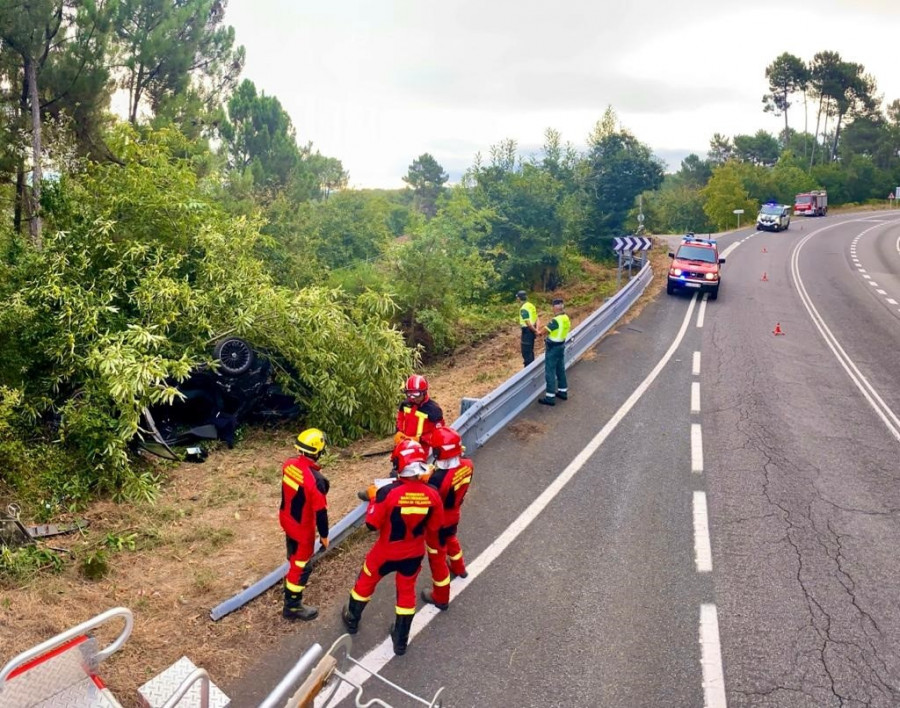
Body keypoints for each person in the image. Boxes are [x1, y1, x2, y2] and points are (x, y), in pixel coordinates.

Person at [342, 440, 444, 656]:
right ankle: (400, 640)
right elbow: (435, 526)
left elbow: (371, 524)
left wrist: (373, 497)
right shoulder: (433, 494)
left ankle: (352, 619)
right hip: (414, 553)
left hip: (385, 552)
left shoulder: (387, 492)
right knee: (407, 592)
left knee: (365, 582)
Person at [420, 426, 474, 611]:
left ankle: (440, 597)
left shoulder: (437, 479)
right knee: (451, 539)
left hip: (438, 523)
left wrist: (425, 479)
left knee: (437, 557)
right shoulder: (468, 464)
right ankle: (459, 568)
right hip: (455, 514)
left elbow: (429, 500)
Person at [279, 428, 330, 621]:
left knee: (293, 555)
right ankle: (292, 606)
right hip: (303, 530)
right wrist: (324, 536)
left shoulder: (288, 464)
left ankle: (291, 564)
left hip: (287, 519)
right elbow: (321, 513)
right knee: (302, 567)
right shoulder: (316, 480)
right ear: (318, 451)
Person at [395, 374, 445, 457]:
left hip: (424, 451)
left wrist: (420, 439)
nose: (413, 398)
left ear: (424, 392)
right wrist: (399, 432)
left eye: (416, 394)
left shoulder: (434, 410)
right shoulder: (405, 404)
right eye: (409, 394)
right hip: (406, 446)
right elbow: (400, 419)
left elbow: (438, 434)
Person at [538, 298, 571, 406]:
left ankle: (550, 397)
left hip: (553, 348)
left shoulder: (556, 320)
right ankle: (562, 391)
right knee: (560, 369)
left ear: (554, 308)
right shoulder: (566, 318)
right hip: (561, 345)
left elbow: (543, 332)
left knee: (550, 372)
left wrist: (538, 330)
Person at [516, 290, 539, 367]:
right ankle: (532, 368)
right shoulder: (531, 305)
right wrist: (536, 330)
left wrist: (535, 330)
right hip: (532, 330)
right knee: (530, 351)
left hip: (527, 331)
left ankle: (528, 369)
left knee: (526, 352)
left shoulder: (523, 309)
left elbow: (528, 323)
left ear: (519, 298)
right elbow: (537, 319)